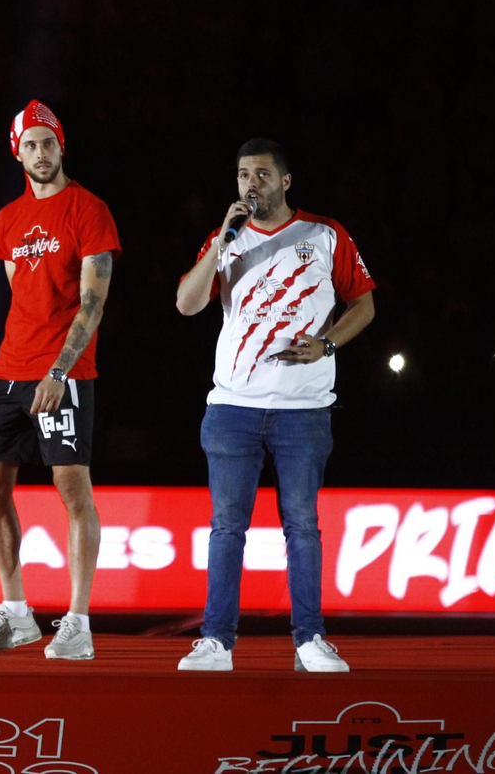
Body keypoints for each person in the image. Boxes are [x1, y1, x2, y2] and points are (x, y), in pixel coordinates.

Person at [174, 138, 375, 673]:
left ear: (285, 181)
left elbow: (364, 303)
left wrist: (328, 343)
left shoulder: (324, 234)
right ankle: (216, 641)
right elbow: (187, 304)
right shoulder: (227, 240)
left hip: (302, 409)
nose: (250, 185)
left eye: (261, 175)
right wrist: (221, 240)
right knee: (226, 527)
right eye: (242, 176)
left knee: (303, 526)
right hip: (233, 405)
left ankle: (309, 640)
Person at [0, 101, 119, 661]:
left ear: (62, 147)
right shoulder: (7, 220)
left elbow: (92, 302)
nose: (40, 152)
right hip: (8, 367)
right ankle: (16, 613)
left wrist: (58, 370)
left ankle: (78, 621)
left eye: (48, 143)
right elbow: (21, 293)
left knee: (70, 487)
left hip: (65, 371)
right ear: (18, 151)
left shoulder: (88, 209)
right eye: (30, 144)